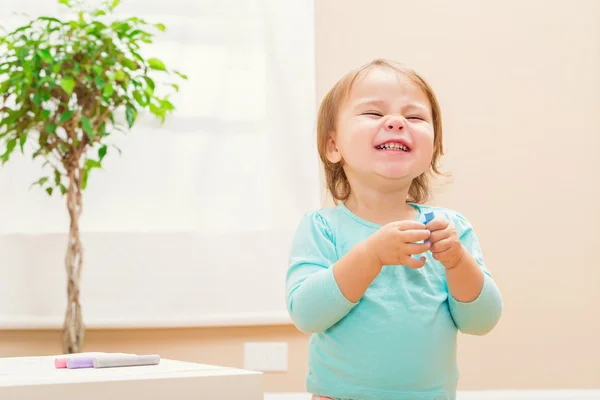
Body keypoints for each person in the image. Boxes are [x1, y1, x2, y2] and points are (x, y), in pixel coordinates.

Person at [285, 59, 503, 400]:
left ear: (432, 151)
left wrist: (458, 262)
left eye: (414, 117)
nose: (396, 122)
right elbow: (307, 314)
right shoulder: (322, 227)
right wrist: (371, 254)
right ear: (333, 146)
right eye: (373, 113)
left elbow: (482, 321)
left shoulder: (450, 230)